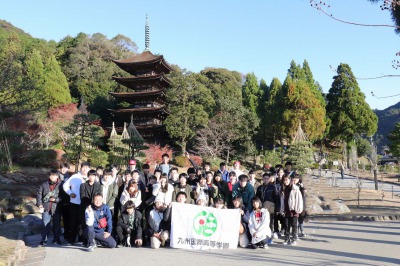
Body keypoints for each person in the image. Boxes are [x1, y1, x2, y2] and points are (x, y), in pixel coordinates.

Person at [63, 161, 90, 245]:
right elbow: (65, 185)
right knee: (73, 222)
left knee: (84, 222)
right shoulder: (75, 176)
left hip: (86, 204)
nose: (85, 169)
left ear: (89, 169)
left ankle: (82, 239)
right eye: (83, 167)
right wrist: (70, 193)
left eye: (87, 167)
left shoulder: (91, 177)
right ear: (80, 168)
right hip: (75, 203)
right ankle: (72, 239)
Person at [37, 170, 61, 245]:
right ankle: (44, 239)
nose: (52, 177)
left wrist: (56, 199)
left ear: (57, 176)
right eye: (51, 175)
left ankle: (56, 239)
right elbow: (39, 195)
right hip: (46, 207)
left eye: (54, 175)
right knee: (45, 224)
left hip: (56, 207)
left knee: (57, 224)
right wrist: (39, 204)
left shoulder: (61, 185)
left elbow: (64, 196)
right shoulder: (44, 184)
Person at [280, 174, 303, 246]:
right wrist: (281, 209)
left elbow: (299, 200)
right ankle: (287, 237)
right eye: (284, 180)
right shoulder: (283, 189)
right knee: (286, 225)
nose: (285, 181)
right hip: (286, 209)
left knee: (294, 225)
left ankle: (294, 238)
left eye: (286, 180)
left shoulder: (295, 188)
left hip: (294, 210)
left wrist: (298, 209)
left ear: (290, 180)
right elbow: (282, 200)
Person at [256, 172, 279, 243]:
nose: (265, 180)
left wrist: (277, 208)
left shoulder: (273, 187)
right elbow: (257, 198)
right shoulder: (260, 187)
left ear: (269, 179)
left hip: (270, 208)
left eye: (267, 178)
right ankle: (262, 238)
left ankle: (269, 238)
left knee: (270, 223)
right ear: (262, 179)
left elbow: (277, 198)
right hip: (261, 208)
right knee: (261, 223)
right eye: (264, 178)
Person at [58, 163, 71, 242]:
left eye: (65, 168)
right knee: (57, 219)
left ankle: (66, 235)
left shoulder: (70, 178)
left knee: (66, 219)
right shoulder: (56, 176)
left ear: (68, 169)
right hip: (57, 201)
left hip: (66, 202)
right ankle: (57, 236)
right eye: (62, 167)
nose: (64, 169)